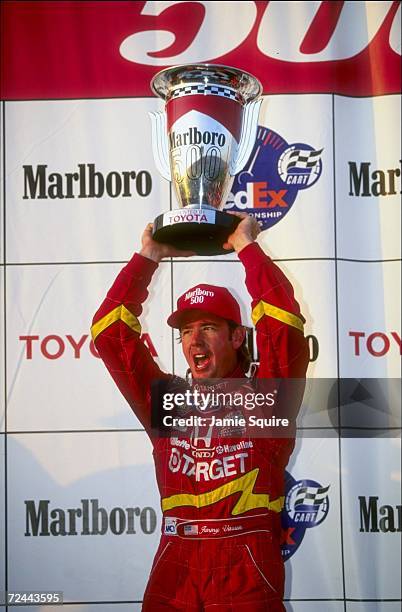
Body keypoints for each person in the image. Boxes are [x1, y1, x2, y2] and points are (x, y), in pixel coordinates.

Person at [91, 212, 309, 611]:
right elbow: (109, 335)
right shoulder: (168, 401)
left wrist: (246, 247)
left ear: (237, 336)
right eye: (186, 331)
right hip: (175, 570)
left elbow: (284, 325)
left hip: (246, 570)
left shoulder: (267, 397)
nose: (195, 339)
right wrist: (149, 255)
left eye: (208, 326)